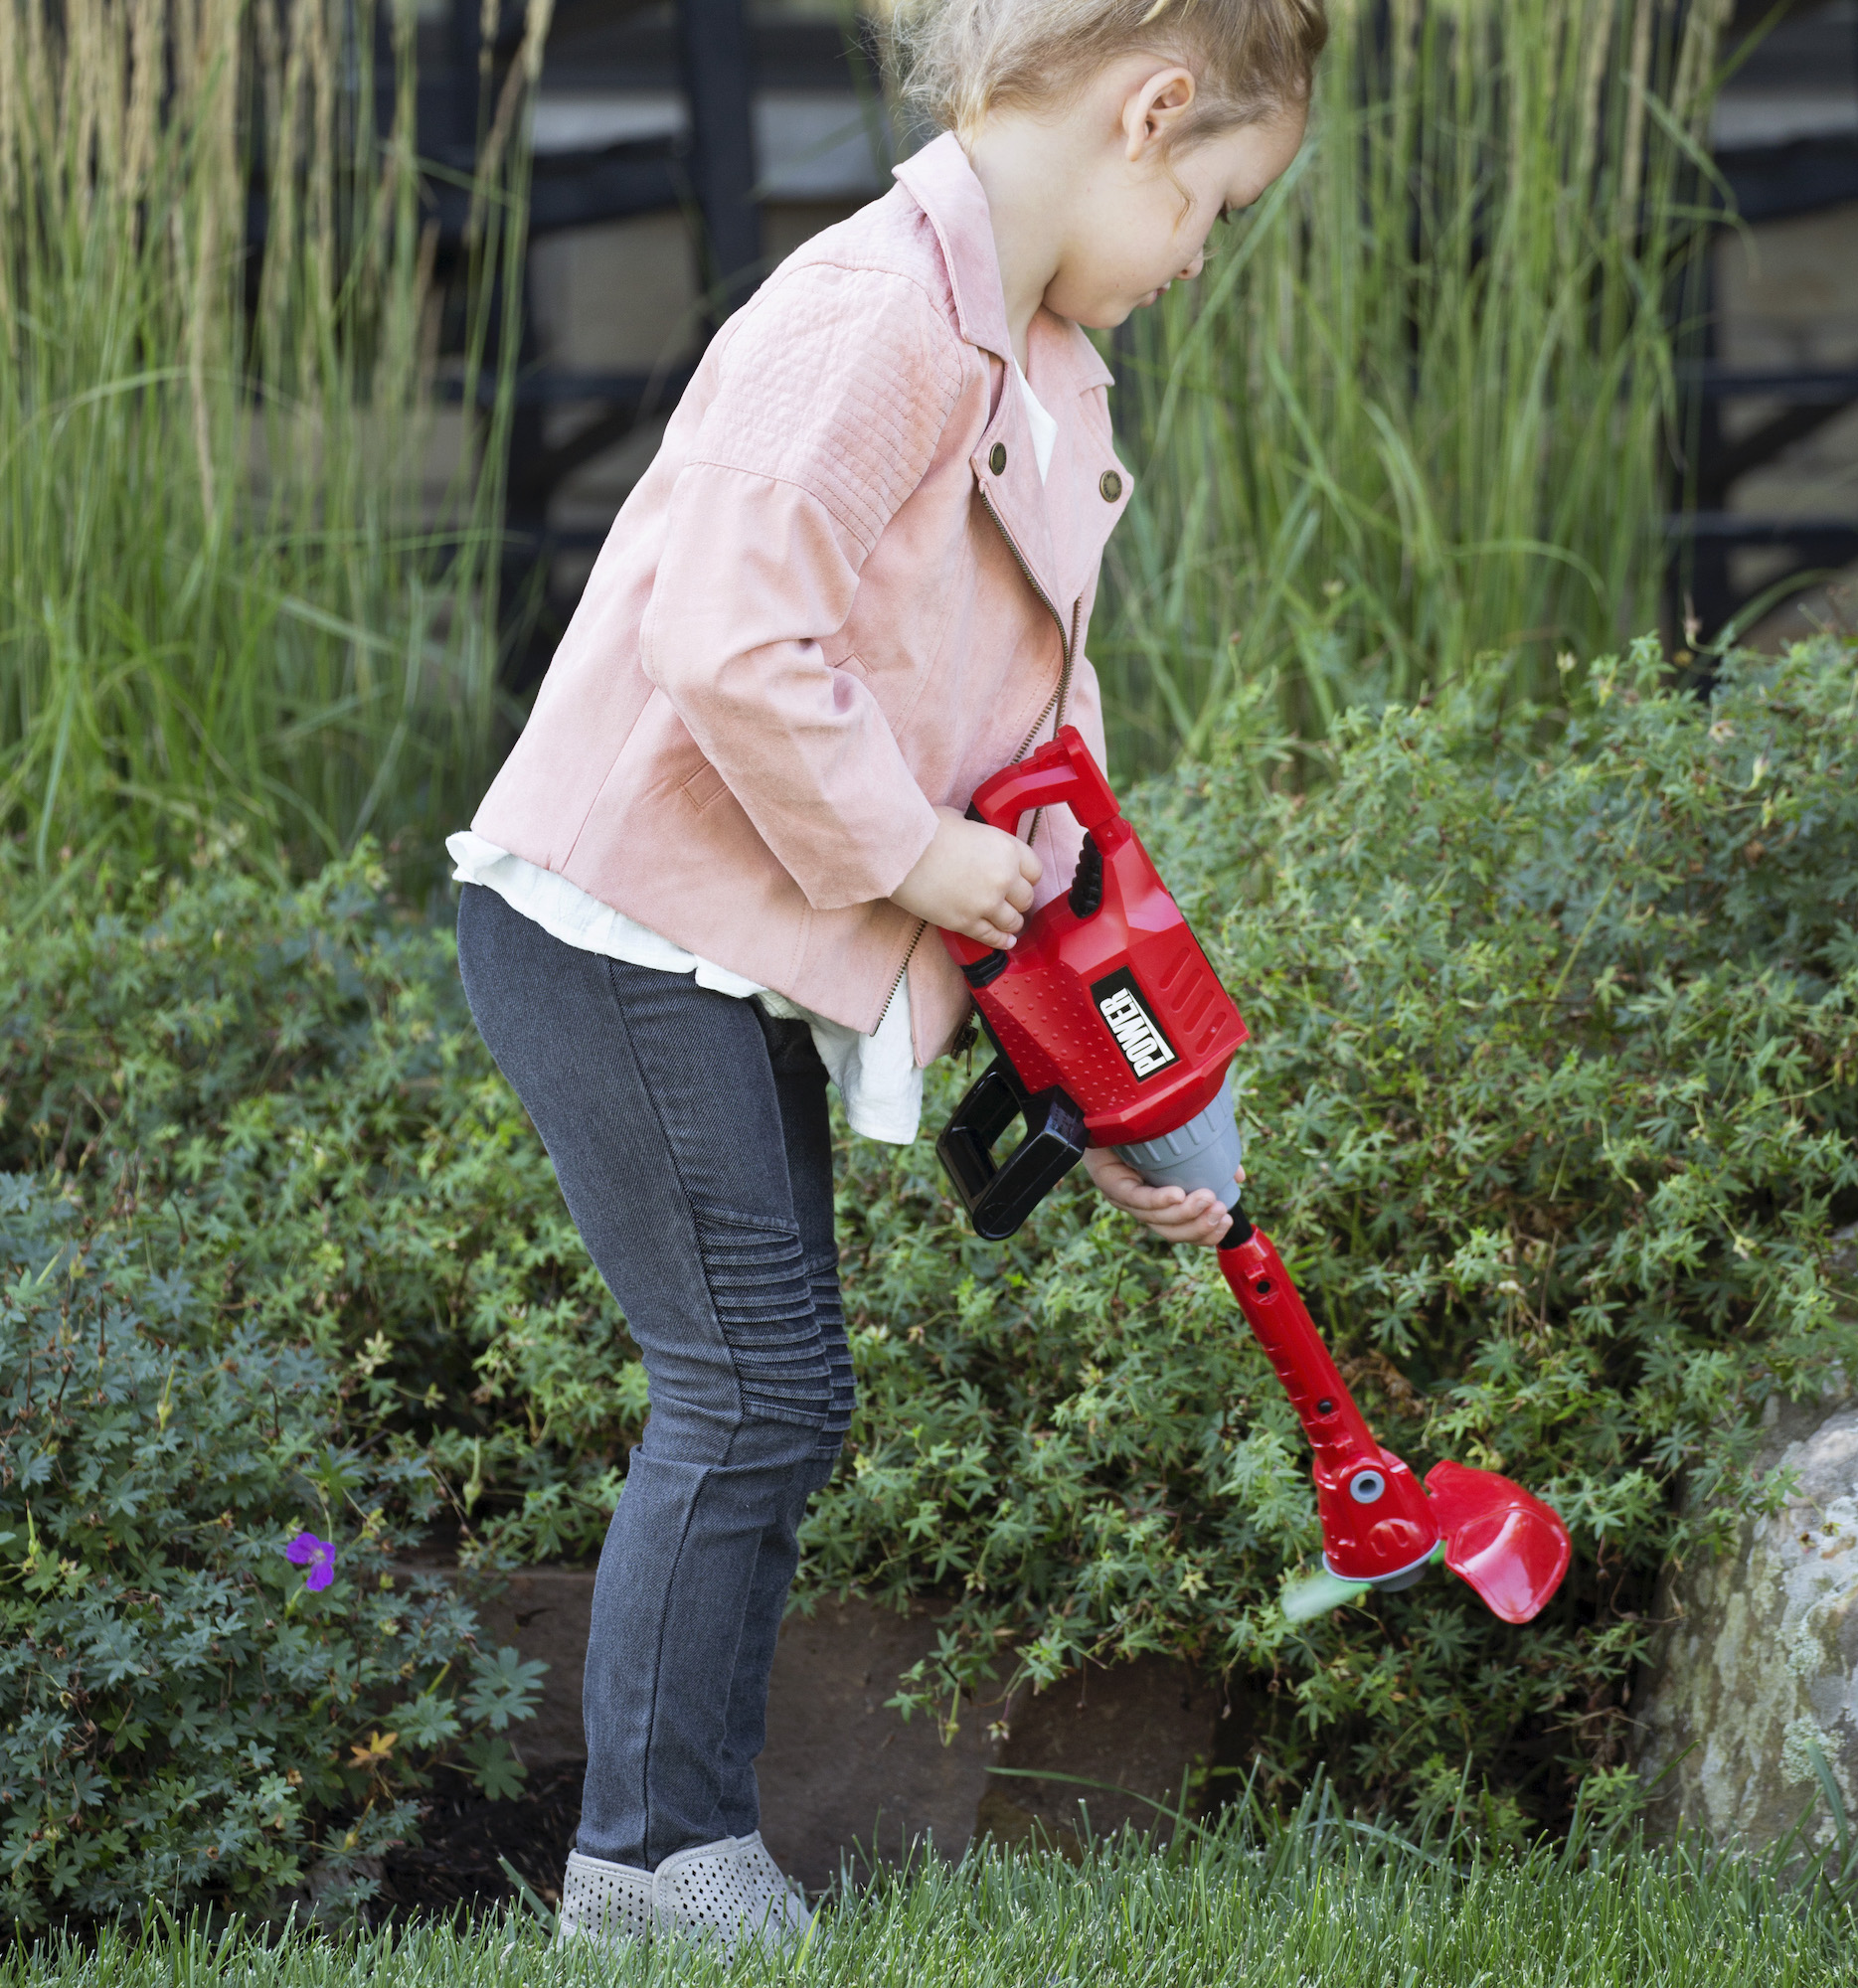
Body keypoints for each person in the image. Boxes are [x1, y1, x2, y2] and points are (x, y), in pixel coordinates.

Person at [448, 0, 1319, 1953]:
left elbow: (1033, 772)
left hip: (716, 943)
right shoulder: (870, 324)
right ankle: (652, 1866)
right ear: (1151, 111)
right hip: (614, 922)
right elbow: (732, 638)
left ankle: (660, 1853)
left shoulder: (1036, 361)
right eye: (1220, 205)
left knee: (775, 1388)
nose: (1202, 254)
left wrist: (1097, 1070)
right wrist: (919, 858)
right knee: (751, 1385)